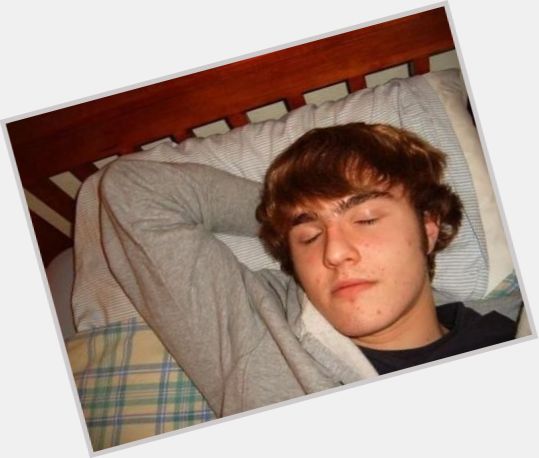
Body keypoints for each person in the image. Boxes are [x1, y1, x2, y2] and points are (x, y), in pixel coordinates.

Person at [100, 122, 517, 418]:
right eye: (310, 236)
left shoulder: (513, 332)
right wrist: (281, 218)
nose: (334, 251)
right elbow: (132, 189)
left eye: (366, 219)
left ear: (428, 229)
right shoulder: (262, 331)